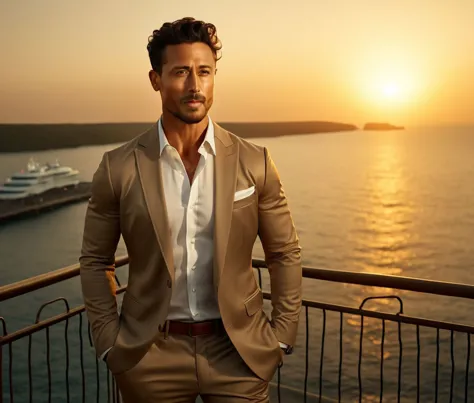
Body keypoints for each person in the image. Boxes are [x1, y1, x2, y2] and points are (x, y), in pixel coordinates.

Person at [79, 16, 302, 402]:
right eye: (181, 72)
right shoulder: (118, 167)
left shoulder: (255, 161)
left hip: (238, 353)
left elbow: (284, 253)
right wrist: (108, 341)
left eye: (205, 71)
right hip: (150, 356)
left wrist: (280, 336)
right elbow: (95, 261)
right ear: (156, 79)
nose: (195, 85)